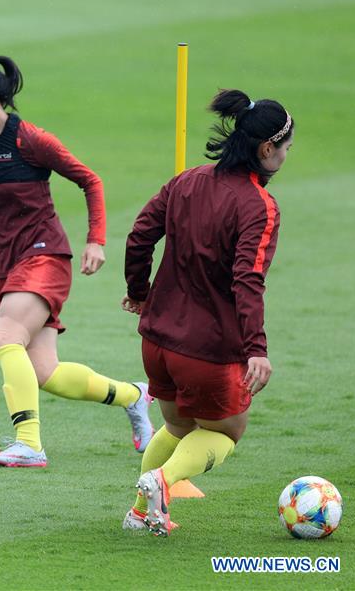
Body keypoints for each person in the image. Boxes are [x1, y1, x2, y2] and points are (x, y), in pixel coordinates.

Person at [0, 55, 153, 468]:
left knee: (5, 337)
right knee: (44, 372)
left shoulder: (30, 140)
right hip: (6, 268)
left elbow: (89, 180)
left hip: (45, 257)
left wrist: (96, 241)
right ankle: (135, 396)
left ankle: (28, 443)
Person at [122, 89, 292, 536]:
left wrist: (139, 291)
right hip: (208, 350)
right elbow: (247, 281)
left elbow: (139, 236)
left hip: (156, 340)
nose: (287, 157)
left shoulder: (187, 180)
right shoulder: (259, 206)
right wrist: (256, 349)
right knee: (226, 431)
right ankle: (163, 481)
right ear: (267, 149)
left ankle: (140, 512)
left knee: (178, 426)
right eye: (287, 148)